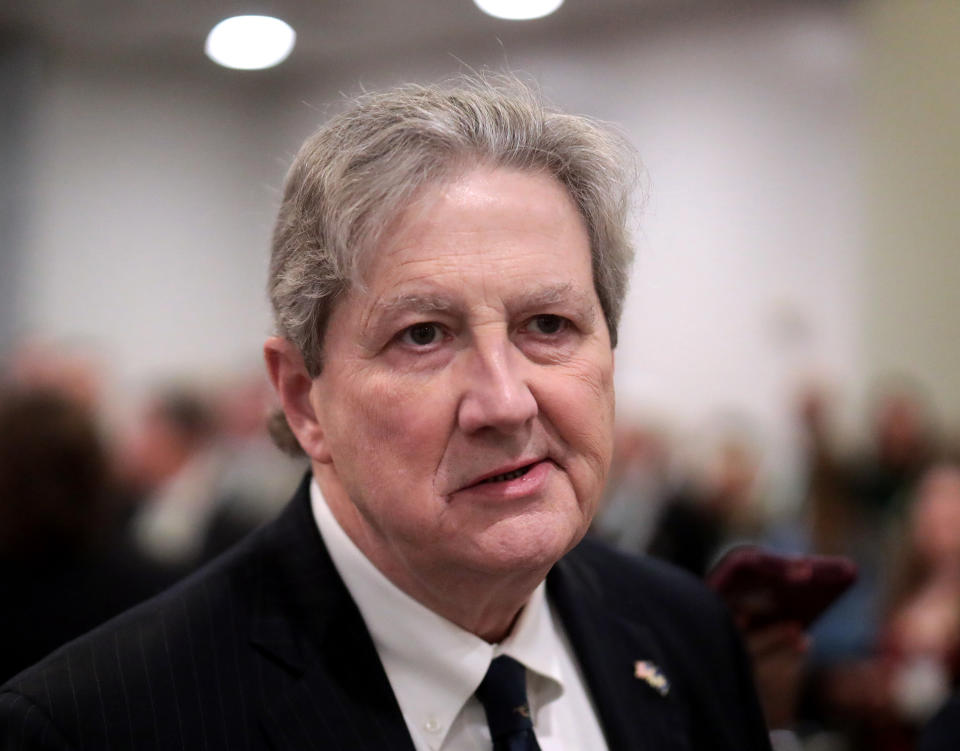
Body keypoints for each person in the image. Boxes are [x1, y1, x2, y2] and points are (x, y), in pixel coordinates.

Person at [0, 75, 774, 750]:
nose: (505, 401)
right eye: (424, 335)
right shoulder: (99, 721)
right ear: (305, 398)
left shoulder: (687, 635)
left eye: (549, 325)